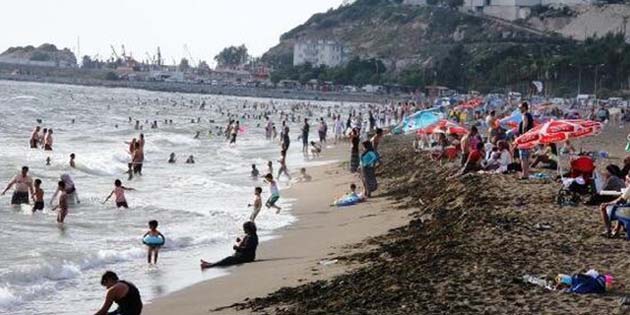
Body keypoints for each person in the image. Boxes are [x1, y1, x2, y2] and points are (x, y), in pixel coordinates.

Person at [518, 102, 534, 179]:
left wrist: (523, 137)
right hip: (529, 138)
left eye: (520, 107)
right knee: (526, 157)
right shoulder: (530, 115)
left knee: (523, 157)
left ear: (524, 107)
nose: (519, 109)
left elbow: (525, 126)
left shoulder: (525, 115)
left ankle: (524, 174)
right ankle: (526, 174)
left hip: (525, 138)